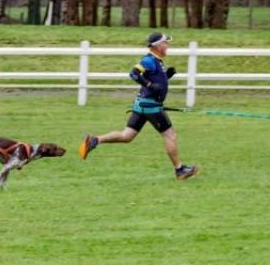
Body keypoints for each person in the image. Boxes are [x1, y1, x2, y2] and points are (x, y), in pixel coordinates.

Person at [78, 32, 199, 180]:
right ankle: (180, 170)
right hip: (151, 106)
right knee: (170, 135)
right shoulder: (149, 60)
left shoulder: (158, 61)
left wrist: (166, 76)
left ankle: (94, 140)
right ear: (158, 45)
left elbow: (154, 81)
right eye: (166, 43)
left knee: (127, 136)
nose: (168, 46)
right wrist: (149, 84)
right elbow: (134, 74)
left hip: (142, 104)